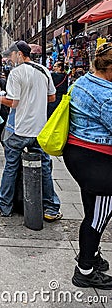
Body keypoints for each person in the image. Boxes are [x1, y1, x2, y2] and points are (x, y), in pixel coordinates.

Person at [0, 40, 62, 220]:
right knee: (44, 166)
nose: (10, 59)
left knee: (11, 165)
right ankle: (50, 208)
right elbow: (51, 98)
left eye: (11, 55)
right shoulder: (44, 71)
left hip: (19, 129)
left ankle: (5, 205)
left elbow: (13, 103)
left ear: (19, 54)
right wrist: (35, 99)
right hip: (39, 129)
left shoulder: (16, 73)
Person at [63, 42, 112, 290]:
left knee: (93, 211)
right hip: (100, 163)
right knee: (97, 217)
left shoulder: (82, 82)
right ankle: (85, 270)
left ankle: (91, 256)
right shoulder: (106, 94)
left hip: (78, 157)